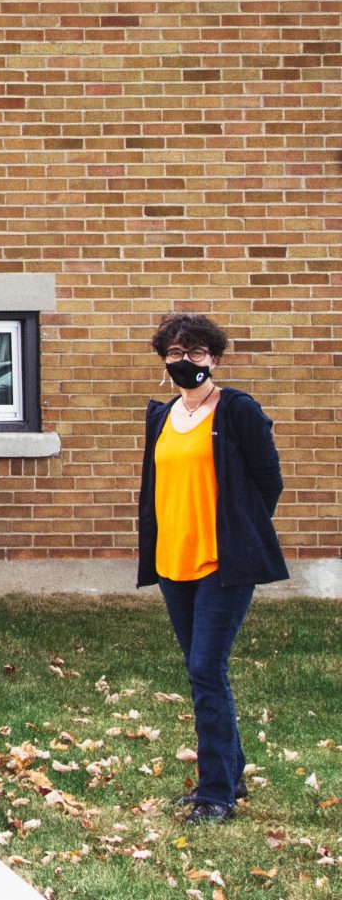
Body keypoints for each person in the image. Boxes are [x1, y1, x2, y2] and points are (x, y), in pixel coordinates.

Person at [137, 312, 286, 824]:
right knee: (201, 671)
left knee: (206, 669)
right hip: (172, 562)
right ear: (164, 361)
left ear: (214, 358)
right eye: (175, 354)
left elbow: (269, 482)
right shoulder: (161, 416)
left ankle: (216, 793)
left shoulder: (237, 409)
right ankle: (232, 773)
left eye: (195, 353)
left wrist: (240, 532)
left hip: (222, 566)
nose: (185, 362)